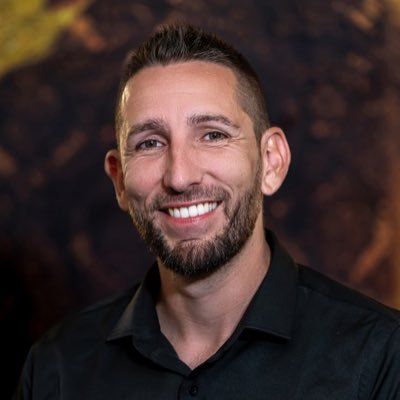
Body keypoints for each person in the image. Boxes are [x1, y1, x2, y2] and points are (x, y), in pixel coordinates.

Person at [15, 24, 400, 399]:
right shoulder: (57, 368)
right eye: (150, 143)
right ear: (119, 180)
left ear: (271, 162)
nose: (180, 177)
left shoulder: (381, 356)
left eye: (213, 135)